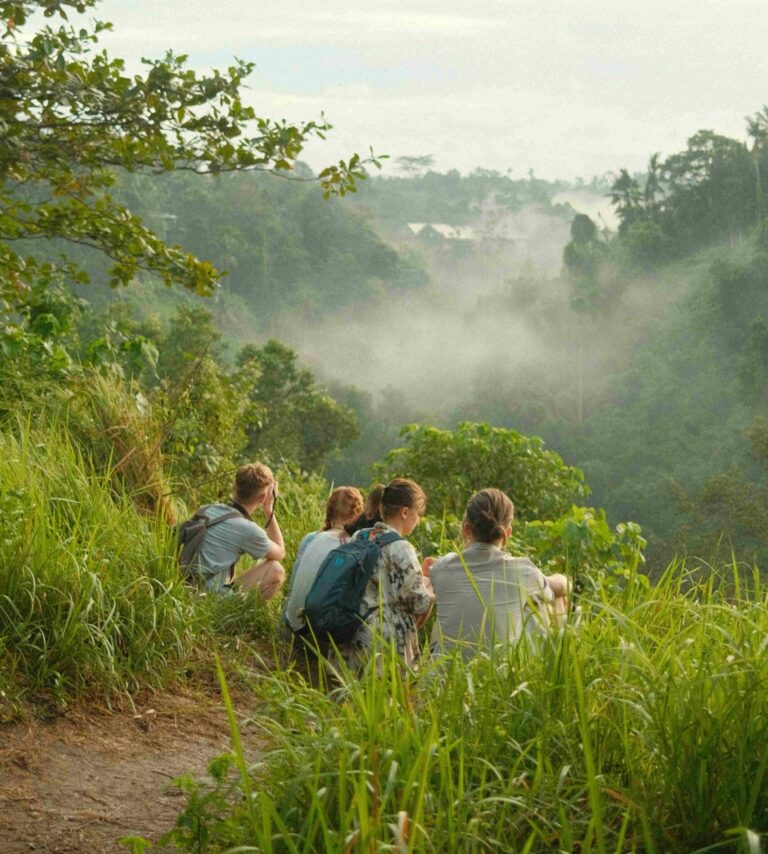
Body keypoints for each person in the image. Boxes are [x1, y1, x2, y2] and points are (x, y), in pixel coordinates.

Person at [428, 488, 568, 658]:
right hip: (496, 676)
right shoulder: (523, 571)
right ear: (507, 532)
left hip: (439, 678)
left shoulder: (441, 568)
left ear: (466, 529)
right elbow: (561, 587)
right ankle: (546, 664)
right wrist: (561, 578)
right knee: (539, 602)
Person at [339, 479, 435, 670]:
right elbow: (419, 603)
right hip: (381, 642)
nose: (418, 520)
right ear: (405, 512)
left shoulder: (361, 536)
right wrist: (433, 589)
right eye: (418, 514)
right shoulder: (402, 548)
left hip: (349, 628)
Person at [193, 462, 286, 599]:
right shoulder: (248, 529)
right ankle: (243, 619)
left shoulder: (206, 509)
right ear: (262, 498)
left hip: (186, 589)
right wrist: (269, 509)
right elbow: (280, 553)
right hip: (208, 598)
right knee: (276, 570)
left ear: (234, 487)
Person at [284, 486, 365, 634]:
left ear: (329, 511)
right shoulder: (355, 547)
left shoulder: (310, 538)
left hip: (291, 624)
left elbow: (293, 583)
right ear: (358, 514)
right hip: (321, 634)